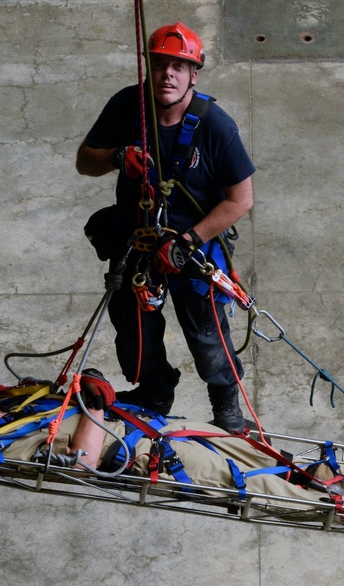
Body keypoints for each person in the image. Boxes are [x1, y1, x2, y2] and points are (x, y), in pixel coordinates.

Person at [0, 371, 344, 524]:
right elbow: (80, 468)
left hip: (157, 429)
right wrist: (95, 407)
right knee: (256, 487)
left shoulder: (15, 404)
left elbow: (76, 401)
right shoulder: (5, 450)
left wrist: (83, 391)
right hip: (154, 458)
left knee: (261, 454)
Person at [75, 22, 255, 432]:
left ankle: (226, 404)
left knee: (207, 335)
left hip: (191, 249)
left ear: (195, 74)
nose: (168, 75)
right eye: (160, 65)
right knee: (135, 335)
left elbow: (240, 200)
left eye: (179, 66)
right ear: (148, 68)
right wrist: (118, 157)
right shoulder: (127, 107)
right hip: (137, 244)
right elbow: (86, 161)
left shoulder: (215, 127)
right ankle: (156, 389)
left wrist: (189, 241)